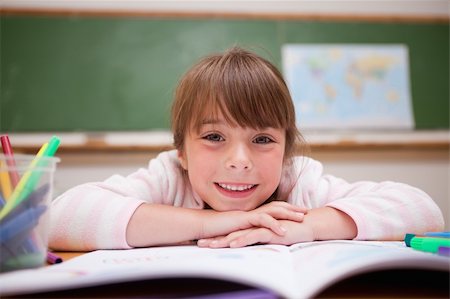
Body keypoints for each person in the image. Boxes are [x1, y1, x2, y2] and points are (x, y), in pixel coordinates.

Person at [49, 47, 444, 251]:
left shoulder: (298, 181)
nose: (239, 161)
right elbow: (58, 219)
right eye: (214, 137)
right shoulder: (169, 175)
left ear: (287, 150)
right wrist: (213, 223)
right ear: (181, 151)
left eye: (263, 140)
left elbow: (424, 212)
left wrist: (305, 226)